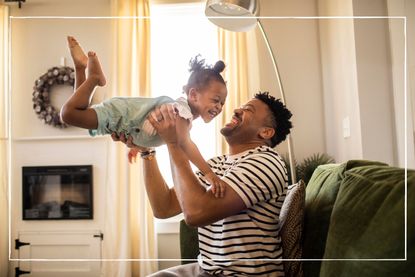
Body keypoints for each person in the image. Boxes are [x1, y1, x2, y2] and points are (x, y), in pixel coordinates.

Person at [113, 91, 293, 276]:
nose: (237, 110)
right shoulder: (216, 164)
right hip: (206, 270)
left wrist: (174, 142)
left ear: (265, 132)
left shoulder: (265, 162)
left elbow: (195, 213)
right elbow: (163, 208)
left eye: (248, 110)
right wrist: (146, 151)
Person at [60, 36, 228, 197]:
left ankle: (81, 67)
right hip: (119, 115)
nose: (219, 107)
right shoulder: (181, 113)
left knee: (80, 109)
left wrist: (138, 145)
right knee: (69, 114)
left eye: (222, 103)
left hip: (120, 119)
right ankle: (95, 78)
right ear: (194, 94)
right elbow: (185, 144)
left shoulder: (181, 115)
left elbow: (147, 124)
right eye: (215, 100)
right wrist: (209, 175)